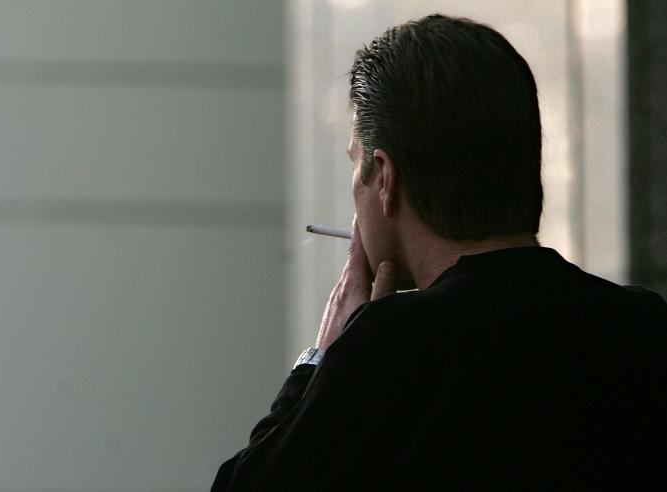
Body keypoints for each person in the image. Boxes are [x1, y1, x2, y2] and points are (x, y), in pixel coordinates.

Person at [211, 14, 667, 491]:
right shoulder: (642, 325)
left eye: (356, 161)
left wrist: (321, 359)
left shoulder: (395, 344)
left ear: (384, 178)